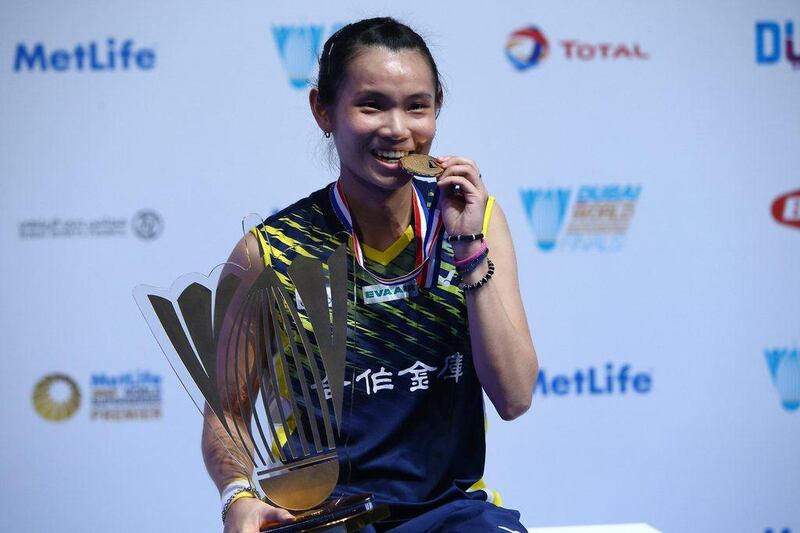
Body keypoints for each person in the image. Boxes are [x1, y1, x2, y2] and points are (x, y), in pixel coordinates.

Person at [202, 17, 538, 533]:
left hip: (450, 513)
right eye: (372, 104)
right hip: (321, 516)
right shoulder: (269, 252)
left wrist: (468, 247)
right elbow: (226, 412)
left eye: (416, 106)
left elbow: (514, 397)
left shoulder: (477, 222)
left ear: (436, 110)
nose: (397, 129)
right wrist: (237, 498)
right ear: (323, 110)